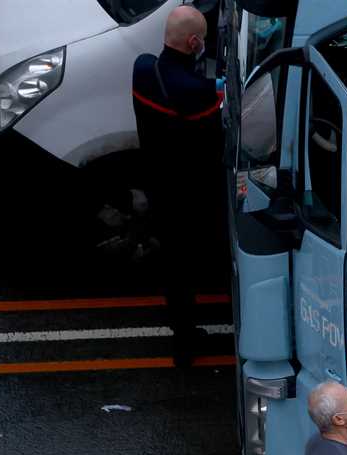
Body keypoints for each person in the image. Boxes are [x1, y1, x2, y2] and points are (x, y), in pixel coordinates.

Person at [132, 5, 225, 365]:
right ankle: (185, 345)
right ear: (194, 42)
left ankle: (181, 327)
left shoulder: (142, 68)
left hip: (157, 181)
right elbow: (216, 114)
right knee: (187, 263)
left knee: (174, 262)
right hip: (188, 191)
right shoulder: (194, 93)